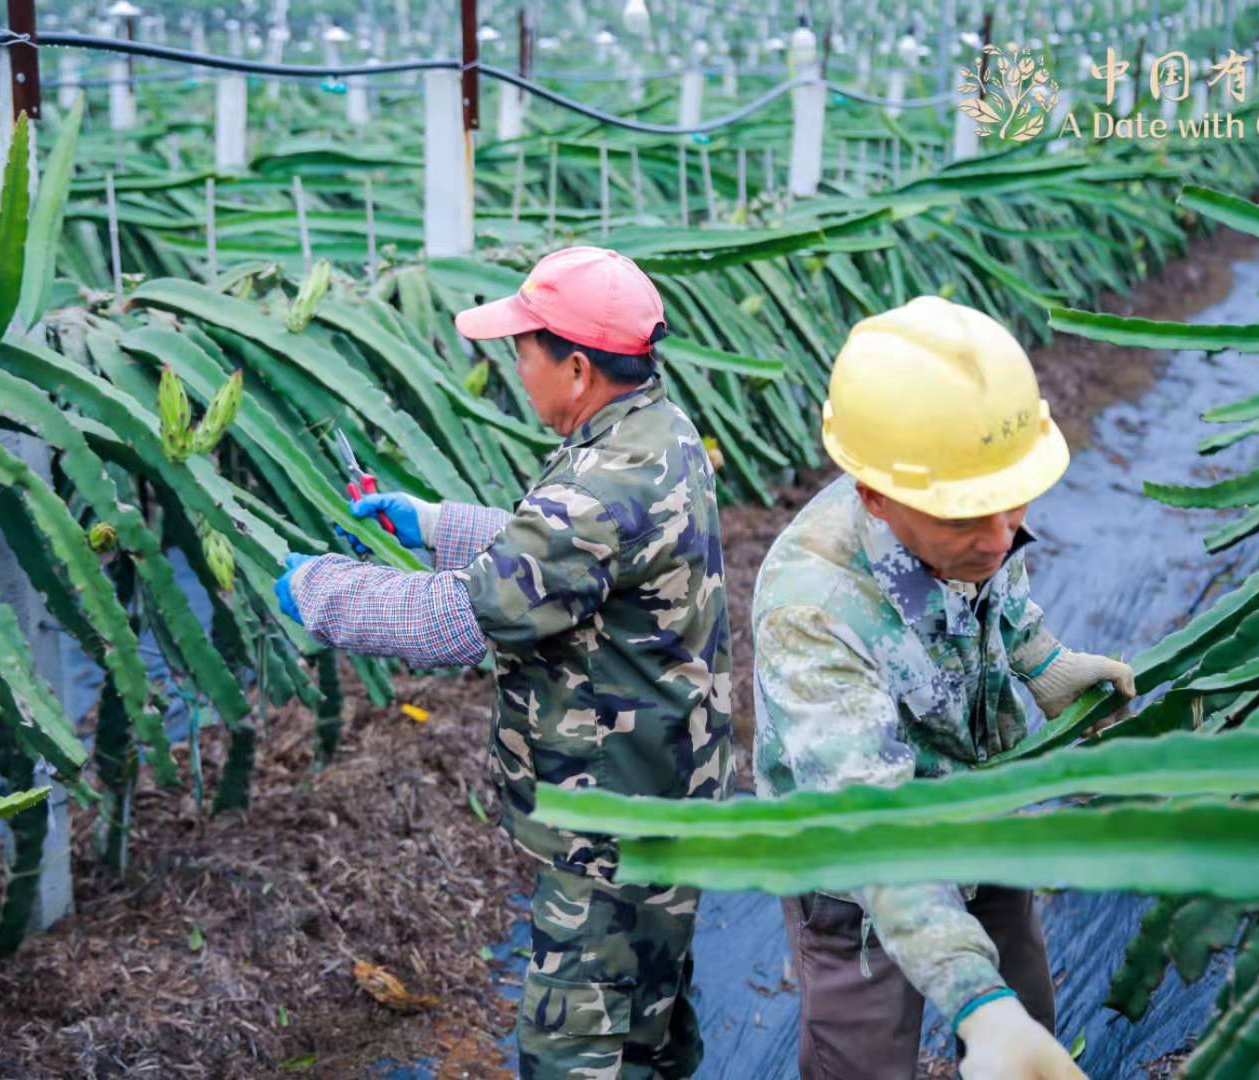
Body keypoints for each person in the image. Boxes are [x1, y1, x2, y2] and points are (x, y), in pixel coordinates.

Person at [274, 246, 733, 1080]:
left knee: (575, 1052)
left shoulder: (590, 493)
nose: (517, 368)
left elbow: (463, 616)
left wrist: (320, 591)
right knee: (649, 1018)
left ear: (579, 368)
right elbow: (579, 560)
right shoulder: (659, 433)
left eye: (524, 351)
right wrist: (433, 522)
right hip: (672, 784)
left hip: (611, 821)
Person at [750, 295, 1136, 1080]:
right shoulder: (811, 610)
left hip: (981, 803)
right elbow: (875, 831)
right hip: (861, 875)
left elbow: (1002, 589)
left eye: (1012, 504)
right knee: (865, 1056)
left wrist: (1044, 663)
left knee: (1025, 1011)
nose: (1001, 538)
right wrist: (973, 1000)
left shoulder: (970, 504)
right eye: (970, 519)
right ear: (875, 498)